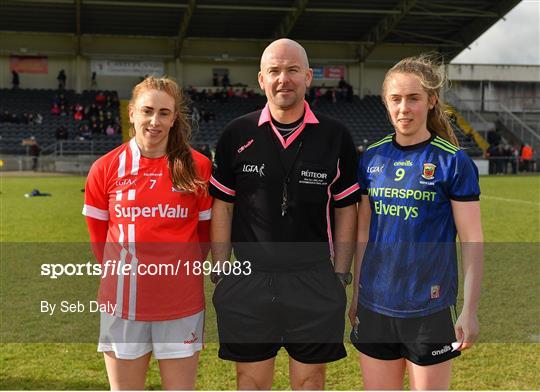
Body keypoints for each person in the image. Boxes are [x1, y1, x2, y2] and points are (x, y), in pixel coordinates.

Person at [210, 38, 359, 390]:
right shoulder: (237, 133)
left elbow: (345, 209)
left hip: (313, 278)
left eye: (292, 70)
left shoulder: (335, 135)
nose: (283, 79)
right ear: (261, 79)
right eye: (274, 71)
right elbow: (223, 206)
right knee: (250, 380)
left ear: (308, 76)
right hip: (249, 279)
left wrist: (341, 274)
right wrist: (219, 269)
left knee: (310, 381)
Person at [349, 55, 483, 390]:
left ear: (432, 100)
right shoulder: (371, 158)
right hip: (375, 306)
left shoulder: (453, 161)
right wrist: (356, 296)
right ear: (385, 103)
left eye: (413, 98)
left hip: (430, 308)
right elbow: (363, 231)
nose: (403, 108)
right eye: (395, 99)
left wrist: (469, 309)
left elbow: (472, 240)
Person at [82, 76, 212, 390]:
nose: (155, 121)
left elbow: (204, 236)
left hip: (181, 304)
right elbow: (99, 238)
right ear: (131, 113)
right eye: (147, 111)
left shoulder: (198, 167)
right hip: (122, 304)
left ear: (174, 118)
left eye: (164, 113)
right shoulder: (105, 168)